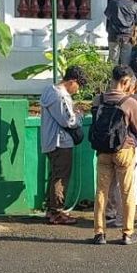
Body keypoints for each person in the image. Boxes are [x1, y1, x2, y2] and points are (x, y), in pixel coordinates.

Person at [91, 65, 137, 246]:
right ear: (125, 82)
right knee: (127, 191)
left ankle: (100, 233)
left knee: (101, 191)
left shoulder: (98, 99)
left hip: (102, 151)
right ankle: (127, 233)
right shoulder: (129, 102)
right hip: (124, 150)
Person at [39, 65, 88, 226]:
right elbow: (68, 121)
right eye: (78, 85)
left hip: (50, 140)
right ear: (72, 81)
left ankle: (51, 208)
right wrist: (79, 116)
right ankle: (57, 212)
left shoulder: (49, 91)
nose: (77, 90)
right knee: (61, 177)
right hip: (60, 141)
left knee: (55, 175)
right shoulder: (60, 96)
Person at [104, 0, 137, 64]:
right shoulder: (136, 6)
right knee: (125, 62)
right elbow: (136, 20)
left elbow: (107, 15)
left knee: (113, 61)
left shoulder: (114, 3)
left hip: (114, 35)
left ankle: (111, 76)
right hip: (128, 37)